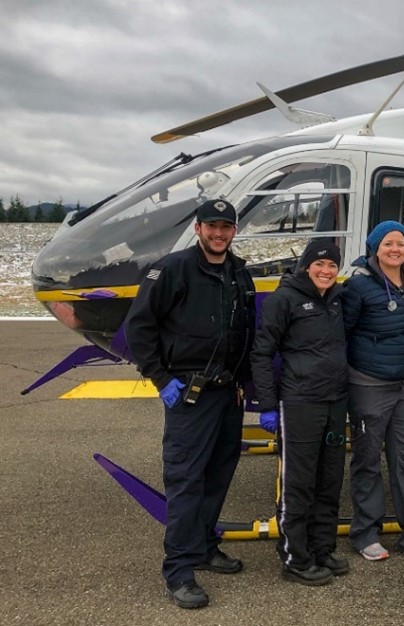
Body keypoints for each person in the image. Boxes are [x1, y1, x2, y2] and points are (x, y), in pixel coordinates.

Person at [125, 199, 255, 609]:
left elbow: (245, 331)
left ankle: (203, 546)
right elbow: (139, 326)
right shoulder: (173, 268)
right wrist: (160, 378)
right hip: (189, 394)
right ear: (198, 229)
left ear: (234, 231)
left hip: (227, 393)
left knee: (218, 475)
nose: (219, 234)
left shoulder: (240, 272)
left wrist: (244, 382)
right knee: (186, 482)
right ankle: (179, 570)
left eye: (226, 227)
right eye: (211, 226)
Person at [250, 239, 349, 586]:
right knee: (299, 483)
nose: (326, 271)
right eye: (319, 265)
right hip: (300, 403)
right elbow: (261, 354)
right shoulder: (285, 300)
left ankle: (322, 548)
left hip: (335, 402)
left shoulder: (337, 300)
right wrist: (266, 404)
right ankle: (295, 557)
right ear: (307, 265)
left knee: (329, 479)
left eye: (332, 266)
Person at [342, 220, 404, 561]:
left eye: (401, 243)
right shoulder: (358, 286)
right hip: (368, 384)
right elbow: (343, 332)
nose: (395, 249)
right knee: (367, 460)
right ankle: (365, 533)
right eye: (388, 244)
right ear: (375, 248)